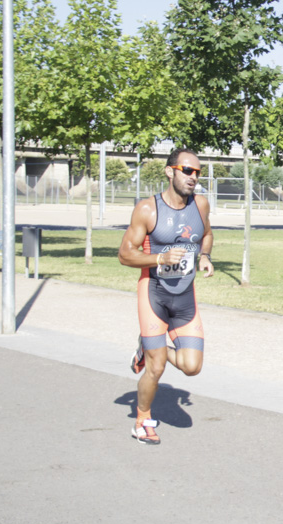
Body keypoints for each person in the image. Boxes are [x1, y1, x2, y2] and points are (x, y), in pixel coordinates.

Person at [117, 148, 214, 445]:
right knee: (156, 366)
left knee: (191, 367)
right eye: (187, 170)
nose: (193, 177)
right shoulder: (148, 209)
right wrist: (159, 259)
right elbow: (124, 254)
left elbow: (207, 234)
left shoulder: (201, 205)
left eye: (197, 172)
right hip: (154, 294)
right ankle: (143, 419)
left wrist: (205, 256)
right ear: (170, 171)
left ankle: (147, 346)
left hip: (185, 297)